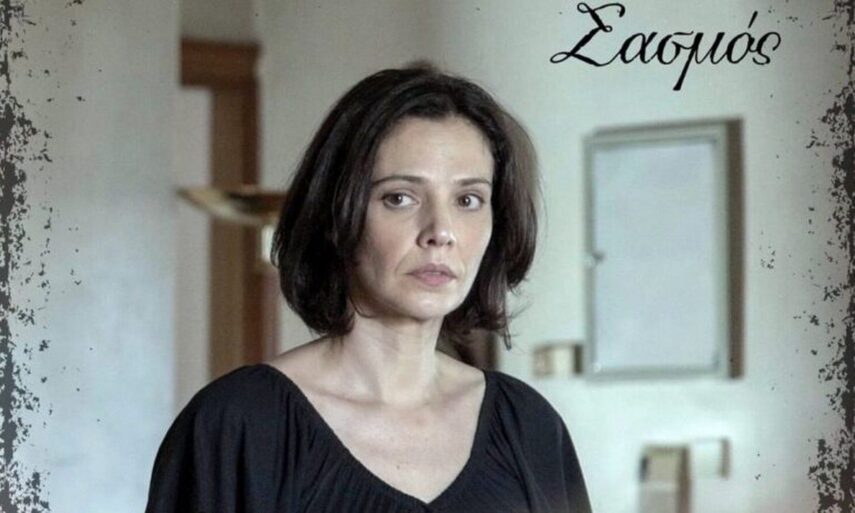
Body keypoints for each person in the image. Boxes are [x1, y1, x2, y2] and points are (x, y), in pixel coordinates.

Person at [144, 61, 592, 513]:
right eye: (400, 198)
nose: (440, 232)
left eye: (468, 200)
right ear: (337, 215)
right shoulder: (236, 424)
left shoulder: (530, 427)